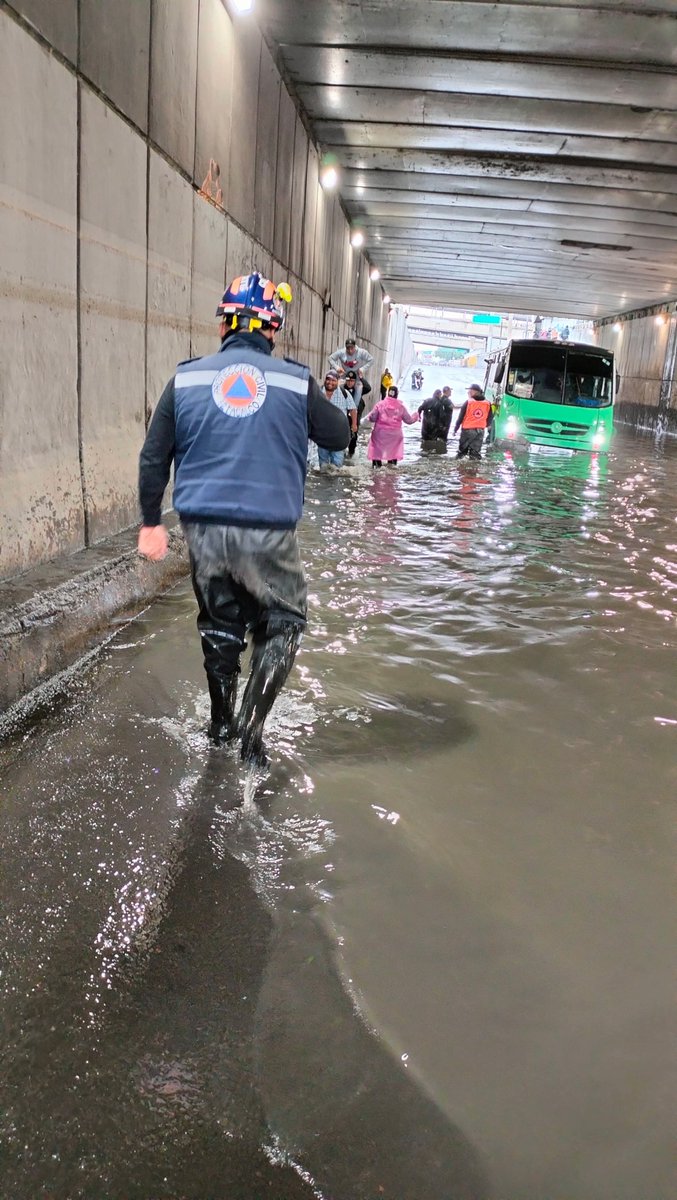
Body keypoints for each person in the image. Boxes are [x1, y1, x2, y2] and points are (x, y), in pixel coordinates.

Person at [137, 271, 349, 767]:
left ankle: (219, 727)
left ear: (224, 325)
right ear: (272, 329)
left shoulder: (185, 378)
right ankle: (252, 734)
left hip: (203, 529)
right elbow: (338, 437)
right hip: (267, 530)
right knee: (285, 620)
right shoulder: (295, 381)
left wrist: (151, 521)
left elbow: (153, 457)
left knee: (220, 626)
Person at [367, 385, 419, 467]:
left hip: (380, 434)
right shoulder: (401, 407)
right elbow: (409, 421)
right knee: (393, 454)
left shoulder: (380, 405)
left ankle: (376, 470)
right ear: (397, 394)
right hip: (395, 435)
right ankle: (391, 473)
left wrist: (369, 417)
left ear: (388, 393)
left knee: (377, 454)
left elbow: (373, 418)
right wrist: (416, 415)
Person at [318, 370, 357, 468]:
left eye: (333, 380)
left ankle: (335, 481)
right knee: (323, 465)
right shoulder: (318, 393)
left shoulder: (344, 394)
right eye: (328, 379)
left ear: (338, 381)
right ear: (325, 380)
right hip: (322, 435)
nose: (330, 382)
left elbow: (352, 409)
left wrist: (354, 425)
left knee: (337, 466)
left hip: (339, 435)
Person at [329, 337, 373, 411]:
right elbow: (330, 358)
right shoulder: (341, 352)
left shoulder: (361, 352)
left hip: (356, 378)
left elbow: (371, 360)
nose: (350, 350)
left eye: (352, 348)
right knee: (337, 386)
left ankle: (353, 409)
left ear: (355, 346)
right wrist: (337, 368)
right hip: (345, 376)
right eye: (348, 348)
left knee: (359, 388)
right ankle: (337, 407)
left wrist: (362, 369)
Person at [453, 384, 493, 460]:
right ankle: (474, 469)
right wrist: (488, 426)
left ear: (474, 392)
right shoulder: (487, 403)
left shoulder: (468, 402)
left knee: (462, 453)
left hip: (467, 430)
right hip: (480, 431)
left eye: (469, 391)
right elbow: (490, 416)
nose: (468, 393)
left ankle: (460, 469)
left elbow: (460, 417)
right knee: (475, 454)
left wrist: (456, 428)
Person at [344, 369, 372, 459]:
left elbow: (368, 388)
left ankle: (351, 453)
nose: (349, 383)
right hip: (345, 415)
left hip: (356, 416)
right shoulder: (342, 389)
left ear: (355, 381)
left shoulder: (358, 390)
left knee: (354, 435)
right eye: (348, 380)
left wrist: (361, 378)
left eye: (352, 381)